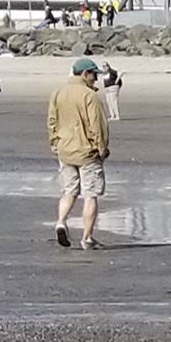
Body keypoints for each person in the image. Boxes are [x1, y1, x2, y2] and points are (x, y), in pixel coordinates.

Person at [47, 56, 110, 250]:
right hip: (87, 152)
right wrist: (102, 148)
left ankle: (61, 221)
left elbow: (51, 121)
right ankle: (87, 237)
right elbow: (98, 126)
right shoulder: (89, 95)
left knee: (69, 190)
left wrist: (54, 143)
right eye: (93, 75)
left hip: (65, 150)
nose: (96, 80)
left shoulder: (58, 92)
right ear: (85, 74)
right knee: (90, 195)